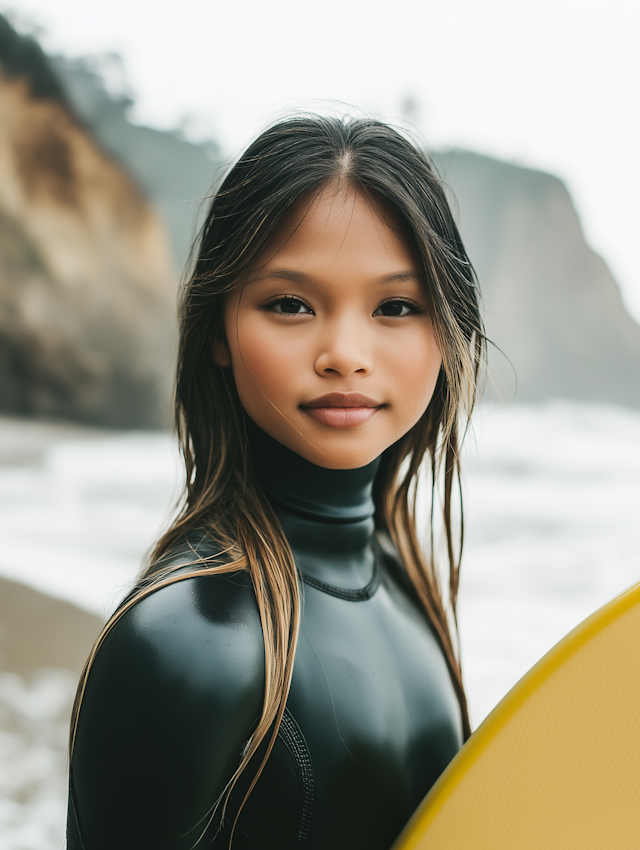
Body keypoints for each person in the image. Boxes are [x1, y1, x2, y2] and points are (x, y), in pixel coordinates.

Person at [66, 115, 485, 850]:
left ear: (447, 334)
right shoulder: (185, 645)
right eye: (290, 304)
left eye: (395, 307)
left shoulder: (403, 581)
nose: (345, 354)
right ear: (220, 332)